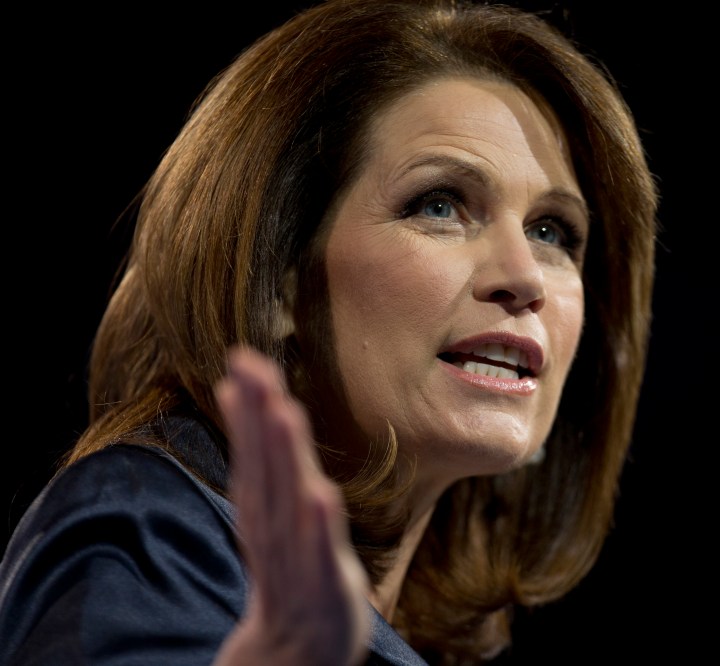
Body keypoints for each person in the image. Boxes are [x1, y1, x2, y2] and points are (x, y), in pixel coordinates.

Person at [0, 0, 659, 663]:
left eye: (552, 231)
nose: (525, 276)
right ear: (278, 278)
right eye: (439, 205)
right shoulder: (149, 540)